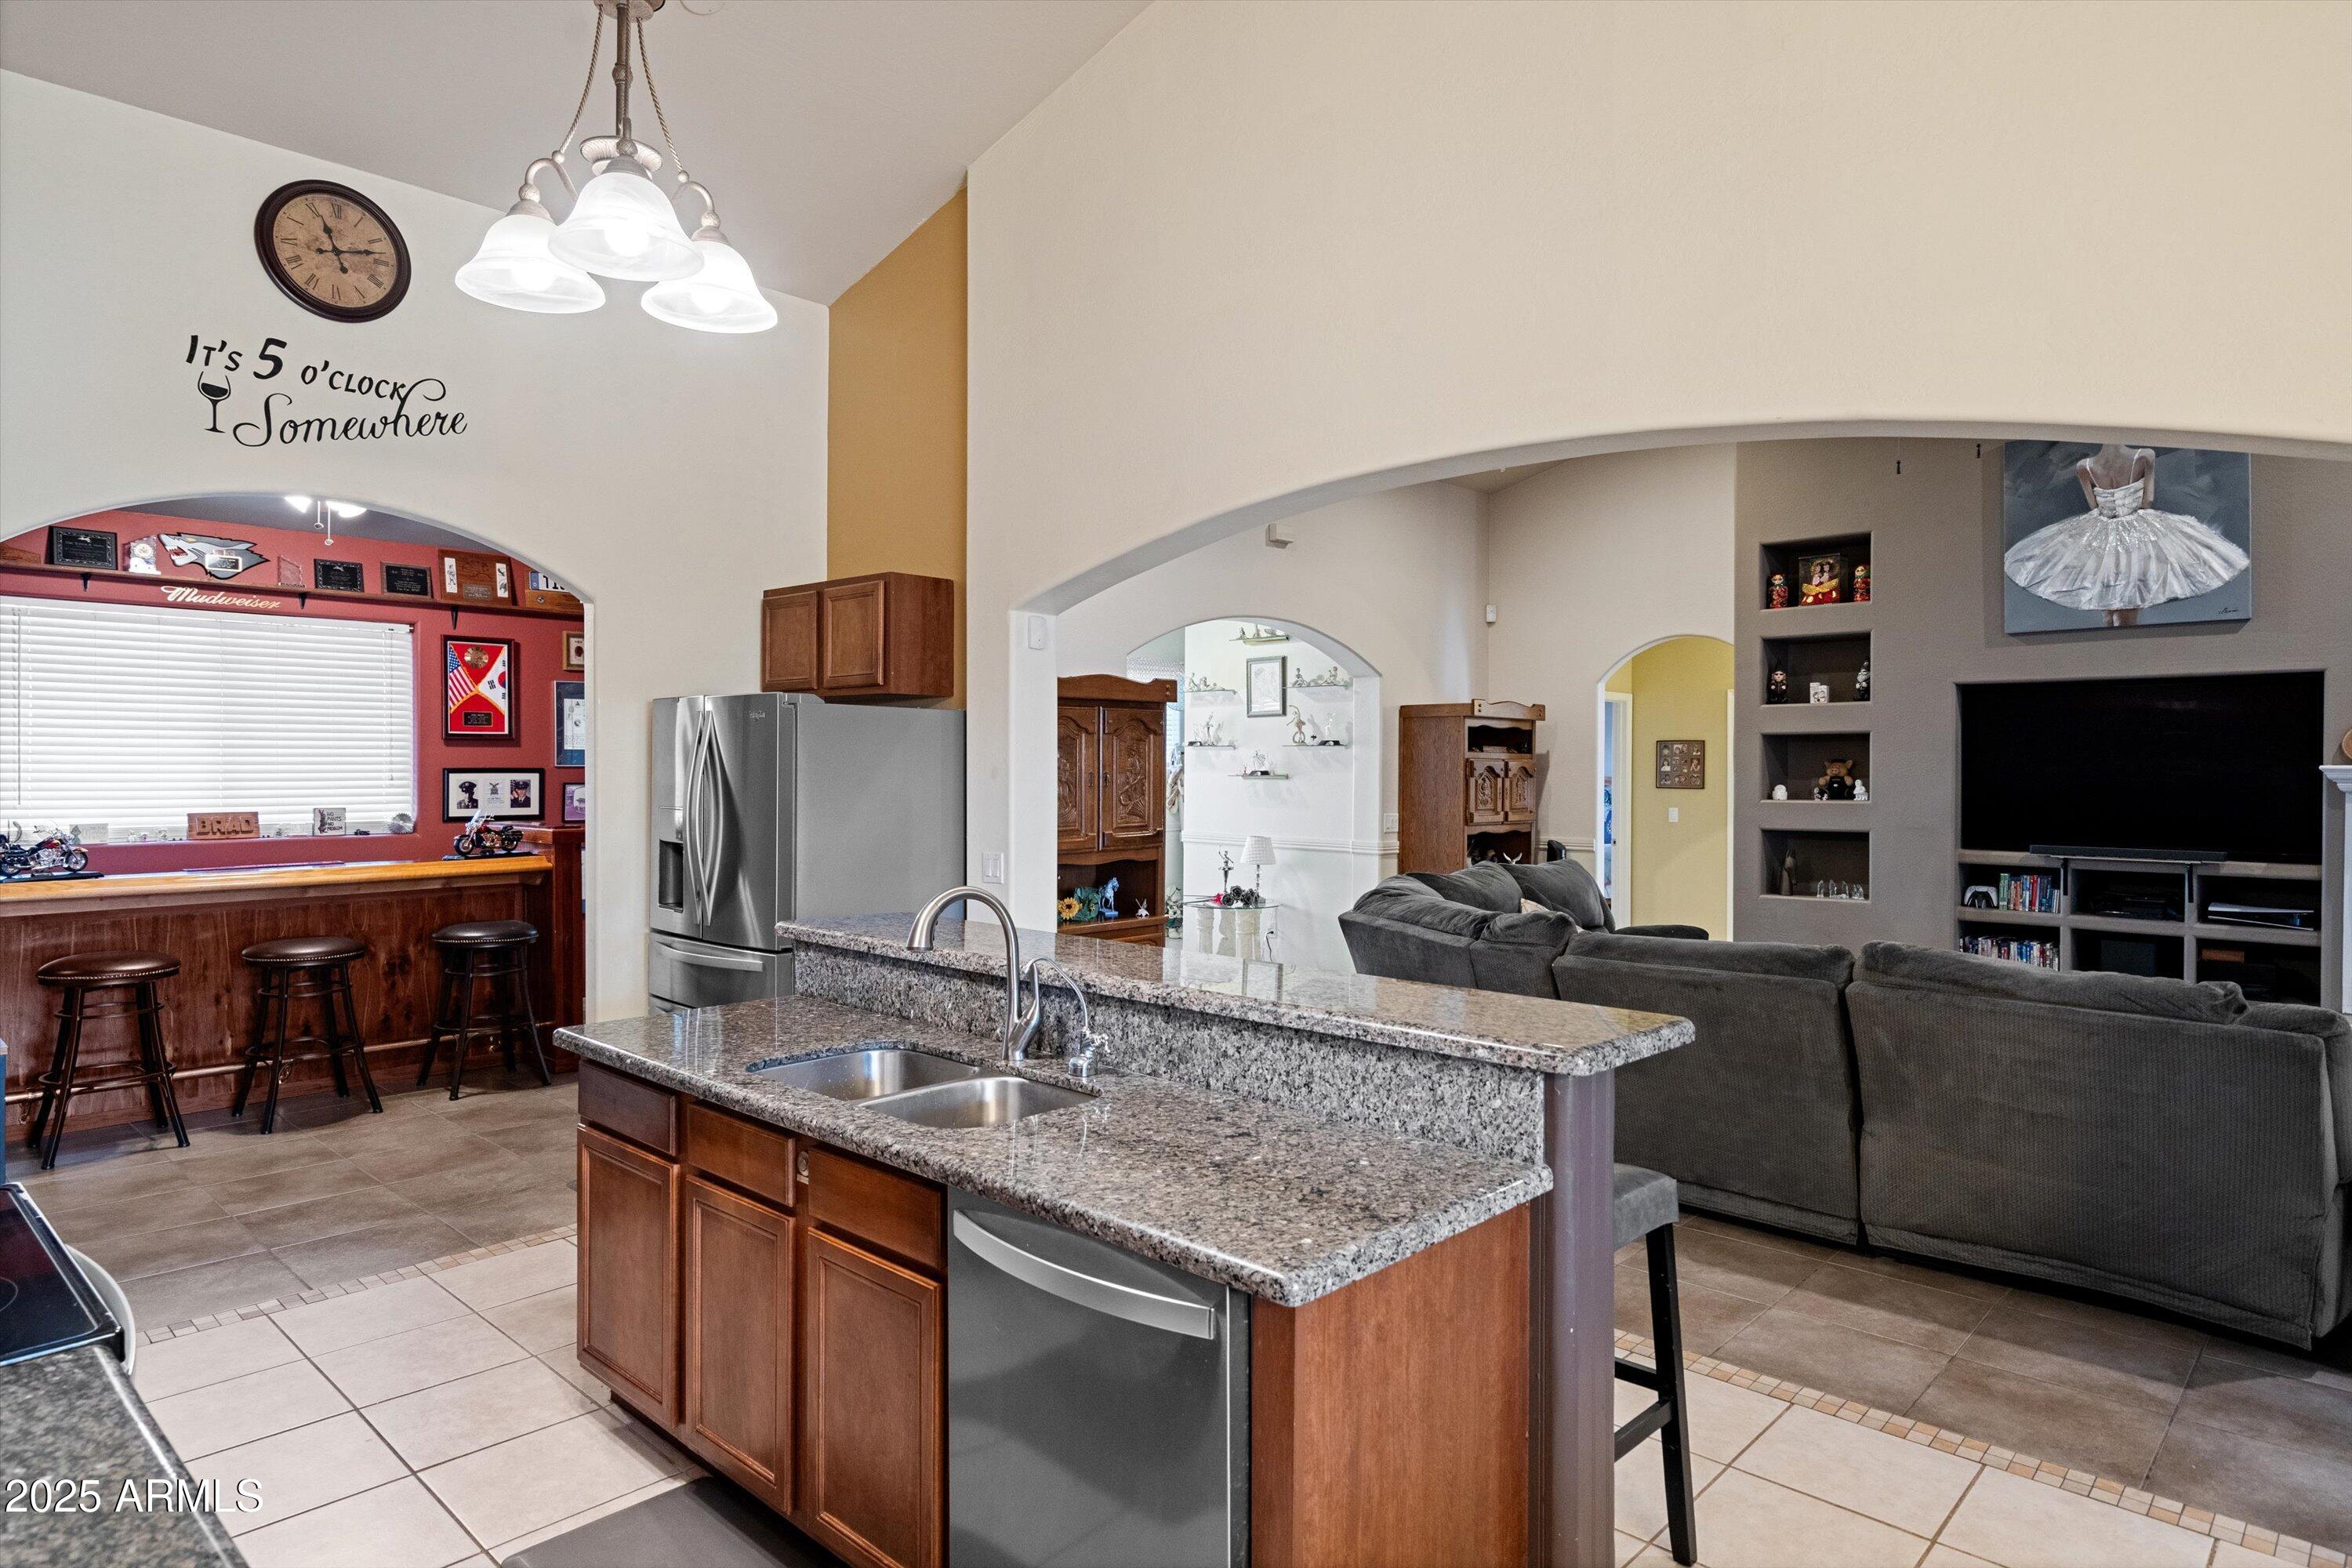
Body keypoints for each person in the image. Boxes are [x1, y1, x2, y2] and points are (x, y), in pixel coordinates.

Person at [2004, 443, 2248, 627]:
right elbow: (2147, 501)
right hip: (2137, 528)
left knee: (2109, 600)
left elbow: (2094, 506)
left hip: (2102, 528)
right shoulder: (2144, 456)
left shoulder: (2084, 467)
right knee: (2130, 595)